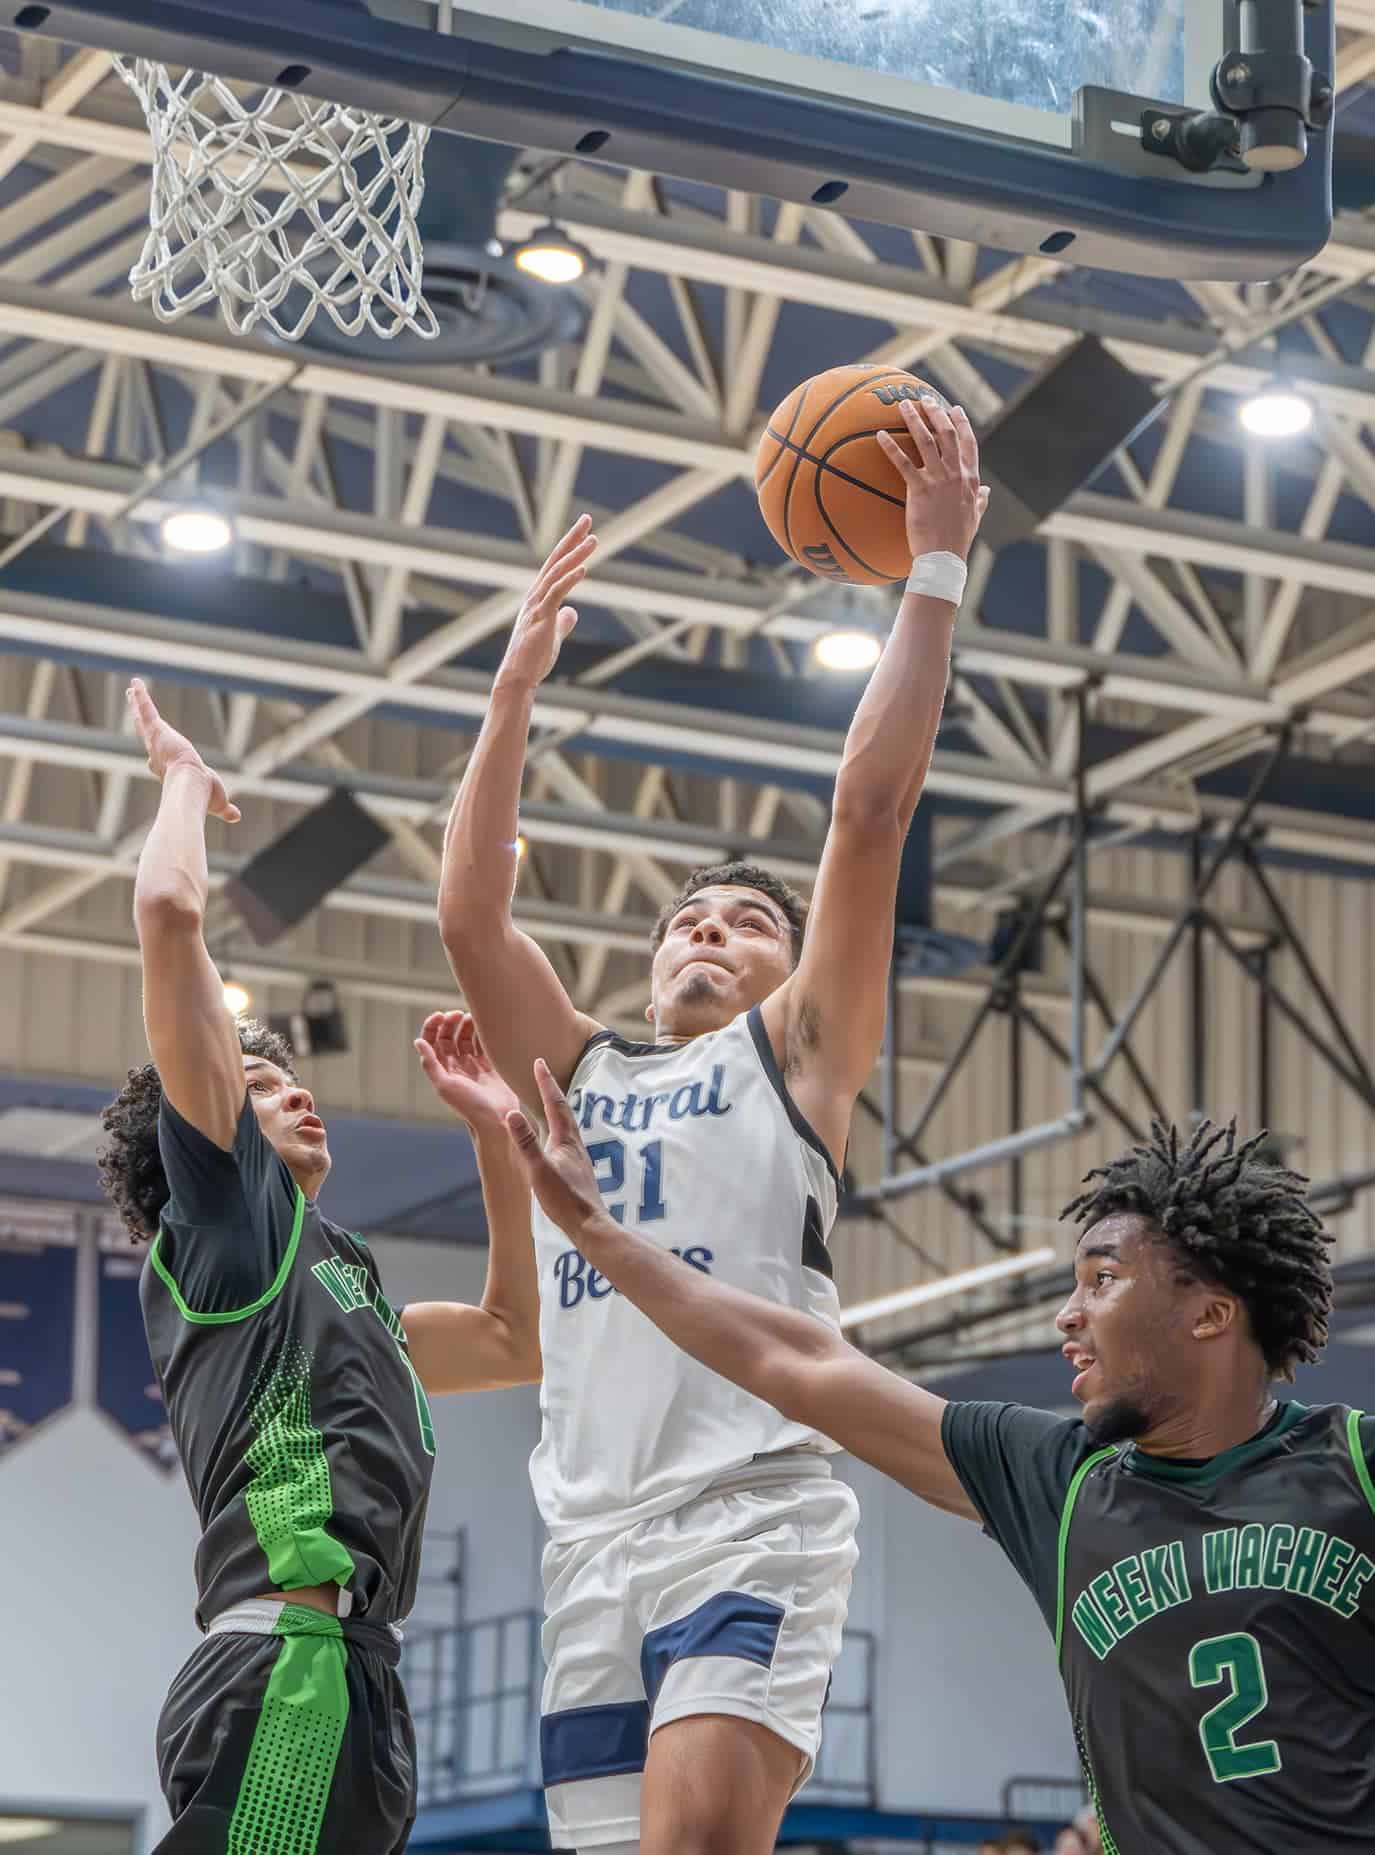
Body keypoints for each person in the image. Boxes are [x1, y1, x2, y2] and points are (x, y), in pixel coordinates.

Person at [439, 396, 988, 1855]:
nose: (707, 930)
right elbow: (469, 913)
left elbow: (866, 813)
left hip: (747, 1507)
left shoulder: (796, 1052)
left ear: (783, 967)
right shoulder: (577, 1071)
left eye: (746, 921)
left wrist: (929, 568)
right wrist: (510, 695)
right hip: (589, 1545)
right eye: (686, 915)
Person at [507, 1081, 1375, 1855]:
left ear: (1211, 1314)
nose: (1068, 1316)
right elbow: (802, 1363)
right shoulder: (1059, 1481)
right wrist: (597, 1232)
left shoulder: (1355, 1465)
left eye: (1101, 1280)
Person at [98, 680, 542, 1854]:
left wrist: (498, 1136)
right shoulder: (230, 1232)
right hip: (284, 1662)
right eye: (258, 1082)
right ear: (202, 1138)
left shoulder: (338, 1275)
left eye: (295, 1073)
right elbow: (167, 912)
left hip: (362, 1678)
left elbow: (512, 1339)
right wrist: (185, 782)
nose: (294, 1085)